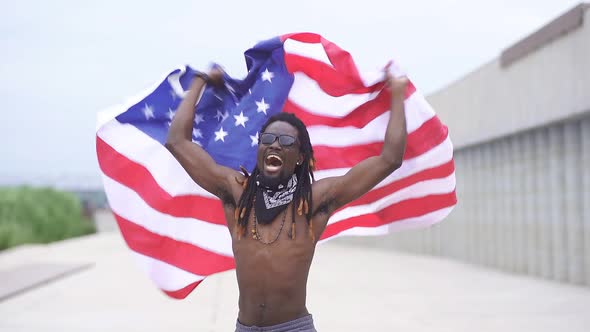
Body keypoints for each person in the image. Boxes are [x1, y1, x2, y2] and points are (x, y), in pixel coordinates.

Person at [165, 67, 408, 331]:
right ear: (258, 150)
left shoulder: (315, 200)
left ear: (300, 157)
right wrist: (200, 81)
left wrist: (397, 94)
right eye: (268, 139)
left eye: (286, 141)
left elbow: (389, 159)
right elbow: (177, 142)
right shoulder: (237, 192)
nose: (275, 145)